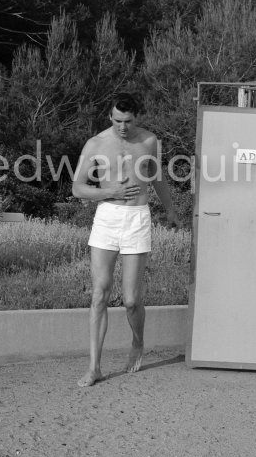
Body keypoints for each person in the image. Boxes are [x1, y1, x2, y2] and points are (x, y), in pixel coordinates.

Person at [72, 92, 182, 387]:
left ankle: (137, 342)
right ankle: (94, 367)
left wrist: (170, 210)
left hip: (137, 219)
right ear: (110, 117)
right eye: (117, 120)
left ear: (137, 117)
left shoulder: (149, 141)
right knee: (99, 294)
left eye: (128, 121)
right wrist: (111, 193)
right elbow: (78, 188)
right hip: (107, 219)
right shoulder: (95, 144)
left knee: (132, 300)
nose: (123, 126)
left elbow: (156, 178)